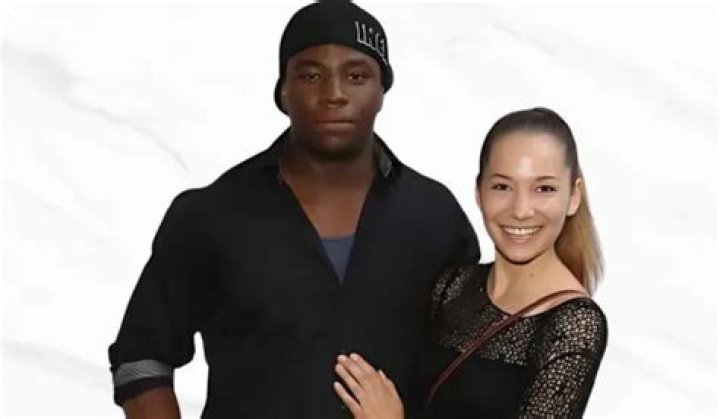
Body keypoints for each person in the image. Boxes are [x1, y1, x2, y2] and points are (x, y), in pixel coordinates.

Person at [107, 1, 479, 418]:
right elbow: (141, 357)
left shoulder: (435, 219)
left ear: (382, 91)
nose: (334, 94)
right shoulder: (211, 215)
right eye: (311, 75)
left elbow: (472, 373)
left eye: (357, 76)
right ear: (283, 91)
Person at [334, 107, 608, 418]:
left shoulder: (573, 324)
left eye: (544, 189)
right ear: (479, 192)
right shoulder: (451, 287)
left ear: (573, 196)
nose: (521, 210)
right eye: (502, 187)